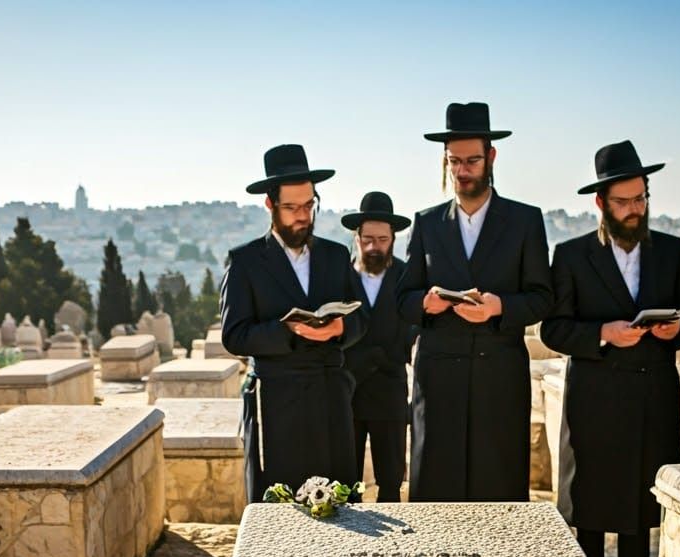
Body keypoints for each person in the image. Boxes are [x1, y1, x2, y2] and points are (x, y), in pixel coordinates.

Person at [541, 141, 680, 557]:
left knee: (640, 501)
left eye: (641, 199)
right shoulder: (571, 255)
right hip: (595, 397)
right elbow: (553, 329)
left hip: (652, 396)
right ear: (601, 203)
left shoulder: (671, 250)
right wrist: (604, 334)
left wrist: (677, 332)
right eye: (624, 201)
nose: (634, 210)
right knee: (590, 502)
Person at [396, 101, 553, 500]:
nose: (463, 171)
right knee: (435, 490)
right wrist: (426, 304)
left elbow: (542, 298)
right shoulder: (427, 221)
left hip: (498, 378)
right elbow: (403, 298)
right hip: (438, 378)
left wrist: (499, 307)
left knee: (498, 491)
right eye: (454, 162)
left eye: (472, 161)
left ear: (492, 157)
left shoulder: (525, 220)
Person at [220, 144, 368, 499]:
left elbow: (362, 318)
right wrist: (287, 331)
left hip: (330, 396)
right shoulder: (245, 262)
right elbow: (235, 335)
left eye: (308, 205)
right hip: (276, 404)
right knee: (280, 505)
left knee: (340, 503)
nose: (302, 216)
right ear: (270, 205)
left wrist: (341, 328)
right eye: (291, 207)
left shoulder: (335, 255)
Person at [341, 192, 413, 502]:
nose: (374, 247)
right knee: (346, 481)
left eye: (382, 239)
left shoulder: (408, 276)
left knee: (391, 479)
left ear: (393, 239)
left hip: (390, 390)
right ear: (356, 238)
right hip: (348, 391)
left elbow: (414, 328)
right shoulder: (339, 276)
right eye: (368, 239)